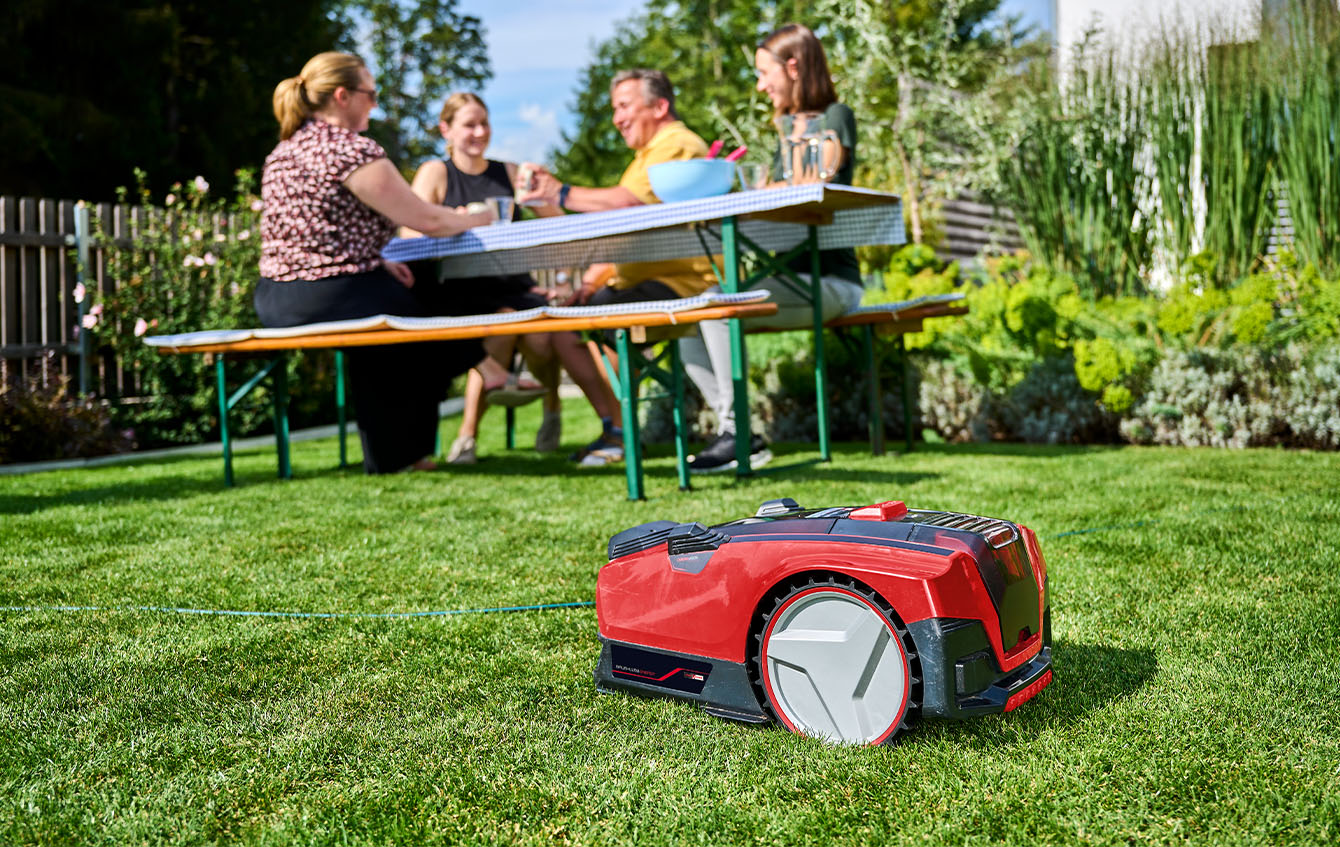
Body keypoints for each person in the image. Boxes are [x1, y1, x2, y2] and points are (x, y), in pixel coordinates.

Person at [256, 51, 538, 474]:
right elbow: (425, 219)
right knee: (436, 297)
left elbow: (313, 235)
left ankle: (396, 457)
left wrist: (378, 262)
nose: (375, 103)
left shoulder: (283, 151)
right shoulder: (350, 149)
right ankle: (487, 365)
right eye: (371, 94)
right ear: (342, 96)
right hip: (333, 293)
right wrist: (479, 217)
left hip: (275, 299)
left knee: (390, 340)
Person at [677, 24, 863, 473]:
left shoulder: (834, 116)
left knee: (720, 307)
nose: (761, 85)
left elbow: (818, 183)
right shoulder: (788, 132)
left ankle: (737, 435)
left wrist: (771, 184)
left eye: (765, 73)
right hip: (793, 283)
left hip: (833, 283)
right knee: (692, 316)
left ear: (793, 67)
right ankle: (738, 430)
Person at [403, 93, 623, 465]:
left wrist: (543, 192)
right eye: (469, 124)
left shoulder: (508, 172)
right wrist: (452, 219)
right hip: (459, 292)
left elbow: (557, 225)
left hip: (514, 286)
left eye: (484, 123)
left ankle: (613, 429)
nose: (479, 132)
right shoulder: (435, 173)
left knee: (559, 332)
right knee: (502, 330)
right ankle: (467, 437)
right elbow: (410, 235)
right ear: (447, 130)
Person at [517, 69, 718, 465]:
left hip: (682, 284)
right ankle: (616, 429)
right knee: (567, 324)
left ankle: (623, 433)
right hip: (652, 281)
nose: (616, 118)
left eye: (624, 106)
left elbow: (628, 205)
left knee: (586, 323)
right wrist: (592, 279)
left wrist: (560, 192)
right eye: (614, 109)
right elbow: (628, 234)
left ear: (660, 106)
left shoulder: (675, 143)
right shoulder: (645, 157)